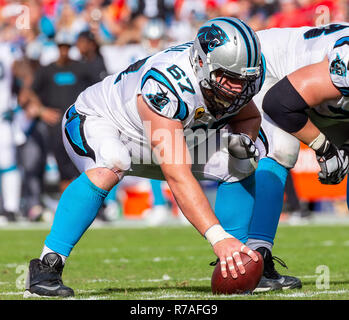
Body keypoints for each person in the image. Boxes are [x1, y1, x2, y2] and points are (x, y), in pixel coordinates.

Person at [24, 17, 264, 297]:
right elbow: (177, 174)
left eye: (243, 79)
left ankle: (237, 261)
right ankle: (46, 267)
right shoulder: (167, 84)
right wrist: (217, 238)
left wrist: (244, 141)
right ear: (201, 63)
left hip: (160, 132)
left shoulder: (240, 76)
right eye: (229, 78)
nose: (237, 88)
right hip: (101, 121)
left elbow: (250, 116)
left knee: (242, 162)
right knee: (113, 161)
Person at [239, 22, 349, 292]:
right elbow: (279, 103)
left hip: (319, 96)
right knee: (282, 149)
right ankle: (256, 259)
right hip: (271, 71)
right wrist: (323, 147)